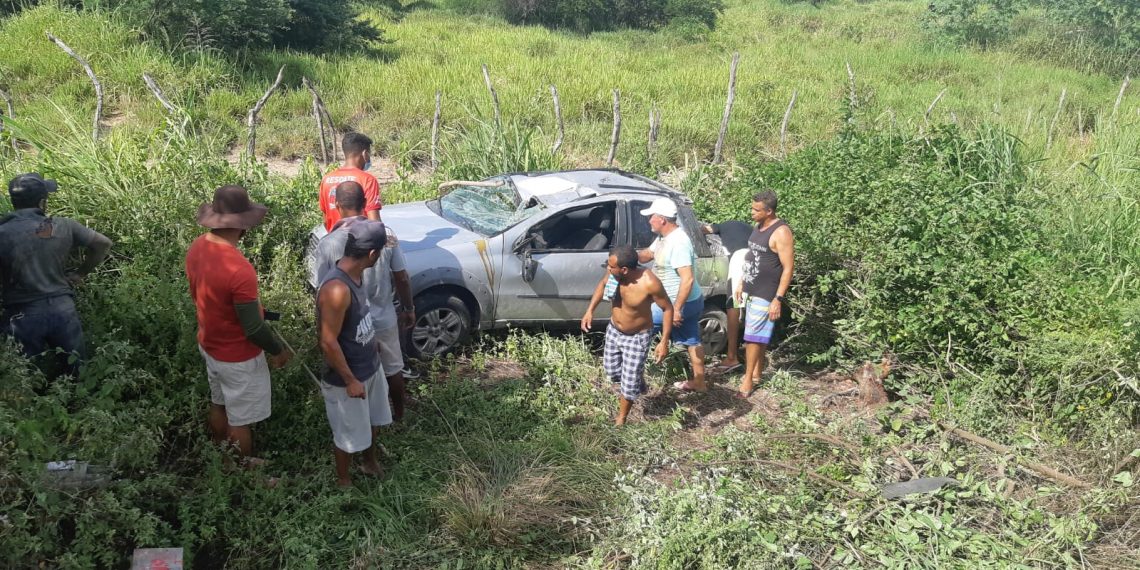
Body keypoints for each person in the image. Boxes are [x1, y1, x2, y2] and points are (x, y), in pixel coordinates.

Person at [186, 185, 292, 463]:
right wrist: (277, 349)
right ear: (243, 226)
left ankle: (220, 452)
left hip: (209, 344)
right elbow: (253, 329)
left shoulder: (198, 246)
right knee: (240, 419)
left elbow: (200, 294)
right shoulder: (239, 268)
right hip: (237, 357)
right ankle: (245, 470)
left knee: (219, 401)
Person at [314, 182, 415, 421]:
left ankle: (362, 421)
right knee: (393, 368)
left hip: (349, 326)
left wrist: (320, 329)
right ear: (365, 204)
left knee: (356, 372)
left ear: (337, 206)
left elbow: (322, 292)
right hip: (384, 317)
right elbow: (401, 276)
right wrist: (408, 307)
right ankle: (398, 416)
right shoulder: (385, 235)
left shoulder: (328, 243)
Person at [0, 173, 112, 376]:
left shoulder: (3, 232)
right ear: (42, 203)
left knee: (23, 375)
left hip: (21, 315)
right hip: (63, 310)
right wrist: (80, 273)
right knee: (76, 372)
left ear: (13, 201)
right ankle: (80, 404)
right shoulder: (64, 226)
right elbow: (103, 244)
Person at [317, 221, 393, 487]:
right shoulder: (336, 289)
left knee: (374, 419)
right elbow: (327, 341)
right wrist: (349, 379)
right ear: (373, 254)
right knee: (347, 433)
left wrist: (372, 344)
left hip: (370, 366)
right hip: (347, 377)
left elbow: (356, 321)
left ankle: (370, 463)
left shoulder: (357, 275)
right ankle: (344, 481)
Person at [582, 246, 673, 425]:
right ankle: (637, 378)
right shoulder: (614, 275)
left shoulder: (649, 282)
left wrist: (664, 341)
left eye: (611, 267)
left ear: (624, 269)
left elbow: (667, 308)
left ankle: (621, 419)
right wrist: (589, 311)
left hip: (637, 337)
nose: (608, 269)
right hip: (614, 330)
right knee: (612, 371)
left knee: (628, 383)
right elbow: (602, 285)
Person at [637, 198, 707, 393]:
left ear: (662, 219)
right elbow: (649, 254)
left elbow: (687, 279)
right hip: (686, 301)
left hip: (678, 302)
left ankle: (635, 379)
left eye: (652, 217)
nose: (649, 220)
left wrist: (676, 309)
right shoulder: (663, 238)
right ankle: (700, 383)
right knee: (692, 339)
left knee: (639, 329)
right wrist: (629, 256)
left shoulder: (679, 242)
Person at [736, 190, 795, 399]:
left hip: (766, 292)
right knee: (757, 335)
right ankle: (758, 374)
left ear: (769, 211)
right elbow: (752, 255)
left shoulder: (781, 232)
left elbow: (788, 268)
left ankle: (747, 380)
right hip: (751, 288)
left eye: (756, 209)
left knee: (751, 338)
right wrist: (742, 282)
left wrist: (777, 299)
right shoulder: (759, 226)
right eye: (752, 208)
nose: (752, 212)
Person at [702, 220, 753, 373]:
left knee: (734, 306)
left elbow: (705, 230)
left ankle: (732, 358)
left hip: (741, 262)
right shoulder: (751, 230)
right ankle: (748, 359)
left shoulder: (724, 226)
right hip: (756, 265)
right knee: (747, 311)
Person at [318, 132, 382, 231]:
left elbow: (326, 221)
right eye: (369, 154)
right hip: (361, 242)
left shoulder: (326, 179)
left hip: (334, 241)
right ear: (365, 154)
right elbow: (374, 222)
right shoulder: (368, 180)